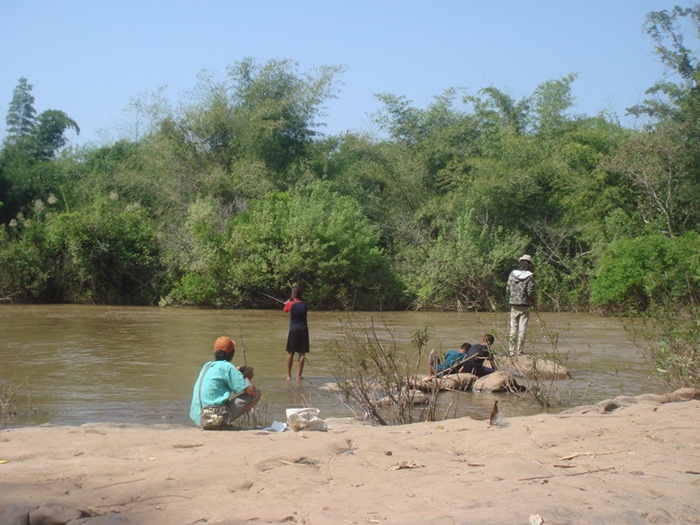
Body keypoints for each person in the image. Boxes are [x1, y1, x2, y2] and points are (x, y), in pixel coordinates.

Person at [190, 336, 261, 430]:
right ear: (232, 353)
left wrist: (237, 370)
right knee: (256, 394)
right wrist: (246, 376)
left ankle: (218, 422)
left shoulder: (207, 366)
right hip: (214, 417)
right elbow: (250, 391)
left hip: (198, 417)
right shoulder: (228, 367)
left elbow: (220, 374)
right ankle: (224, 423)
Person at [507, 254, 536, 355]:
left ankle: (511, 350)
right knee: (522, 328)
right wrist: (534, 300)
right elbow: (530, 292)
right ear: (529, 264)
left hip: (514, 304)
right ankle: (519, 351)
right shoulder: (530, 276)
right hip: (525, 305)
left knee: (513, 328)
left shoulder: (512, 274)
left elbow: (507, 289)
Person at [284, 285, 309, 380]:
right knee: (302, 353)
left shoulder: (290, 304)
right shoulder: (305, 304)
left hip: (293, 330)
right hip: (303, 330)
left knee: (290, 352)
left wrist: (287, 303)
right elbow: (300, 304)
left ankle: (289, 376)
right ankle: (299, 376)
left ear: (292, 295)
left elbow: (285, 310)